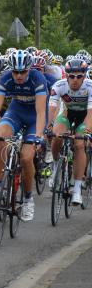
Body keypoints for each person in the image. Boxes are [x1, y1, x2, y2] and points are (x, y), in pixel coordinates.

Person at [0, 50, 47, 221]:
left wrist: (39, 136)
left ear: (29, 69)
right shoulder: (5, 78)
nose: (19, 76)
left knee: (26, 158)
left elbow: (41, 112)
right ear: (10, 70)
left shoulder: (38, 79)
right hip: (16, 113)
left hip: (34, 117)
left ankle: (27, 199)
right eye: (15, 72)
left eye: (23, 72)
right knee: (0, 138)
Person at [47, 58, 92, 205]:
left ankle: (77, 189)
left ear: (84, 76)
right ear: (66, 75)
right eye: (71, 76)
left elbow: (91, 113)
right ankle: (55, 166)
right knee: (57, 136)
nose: (75, 79)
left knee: (79, 145)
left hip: (85, 117)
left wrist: (86, 132)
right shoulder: (58, 86)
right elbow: (52, 109)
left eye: (79, 76)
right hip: (66, 114)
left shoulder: (90, 86)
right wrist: (48, 126)